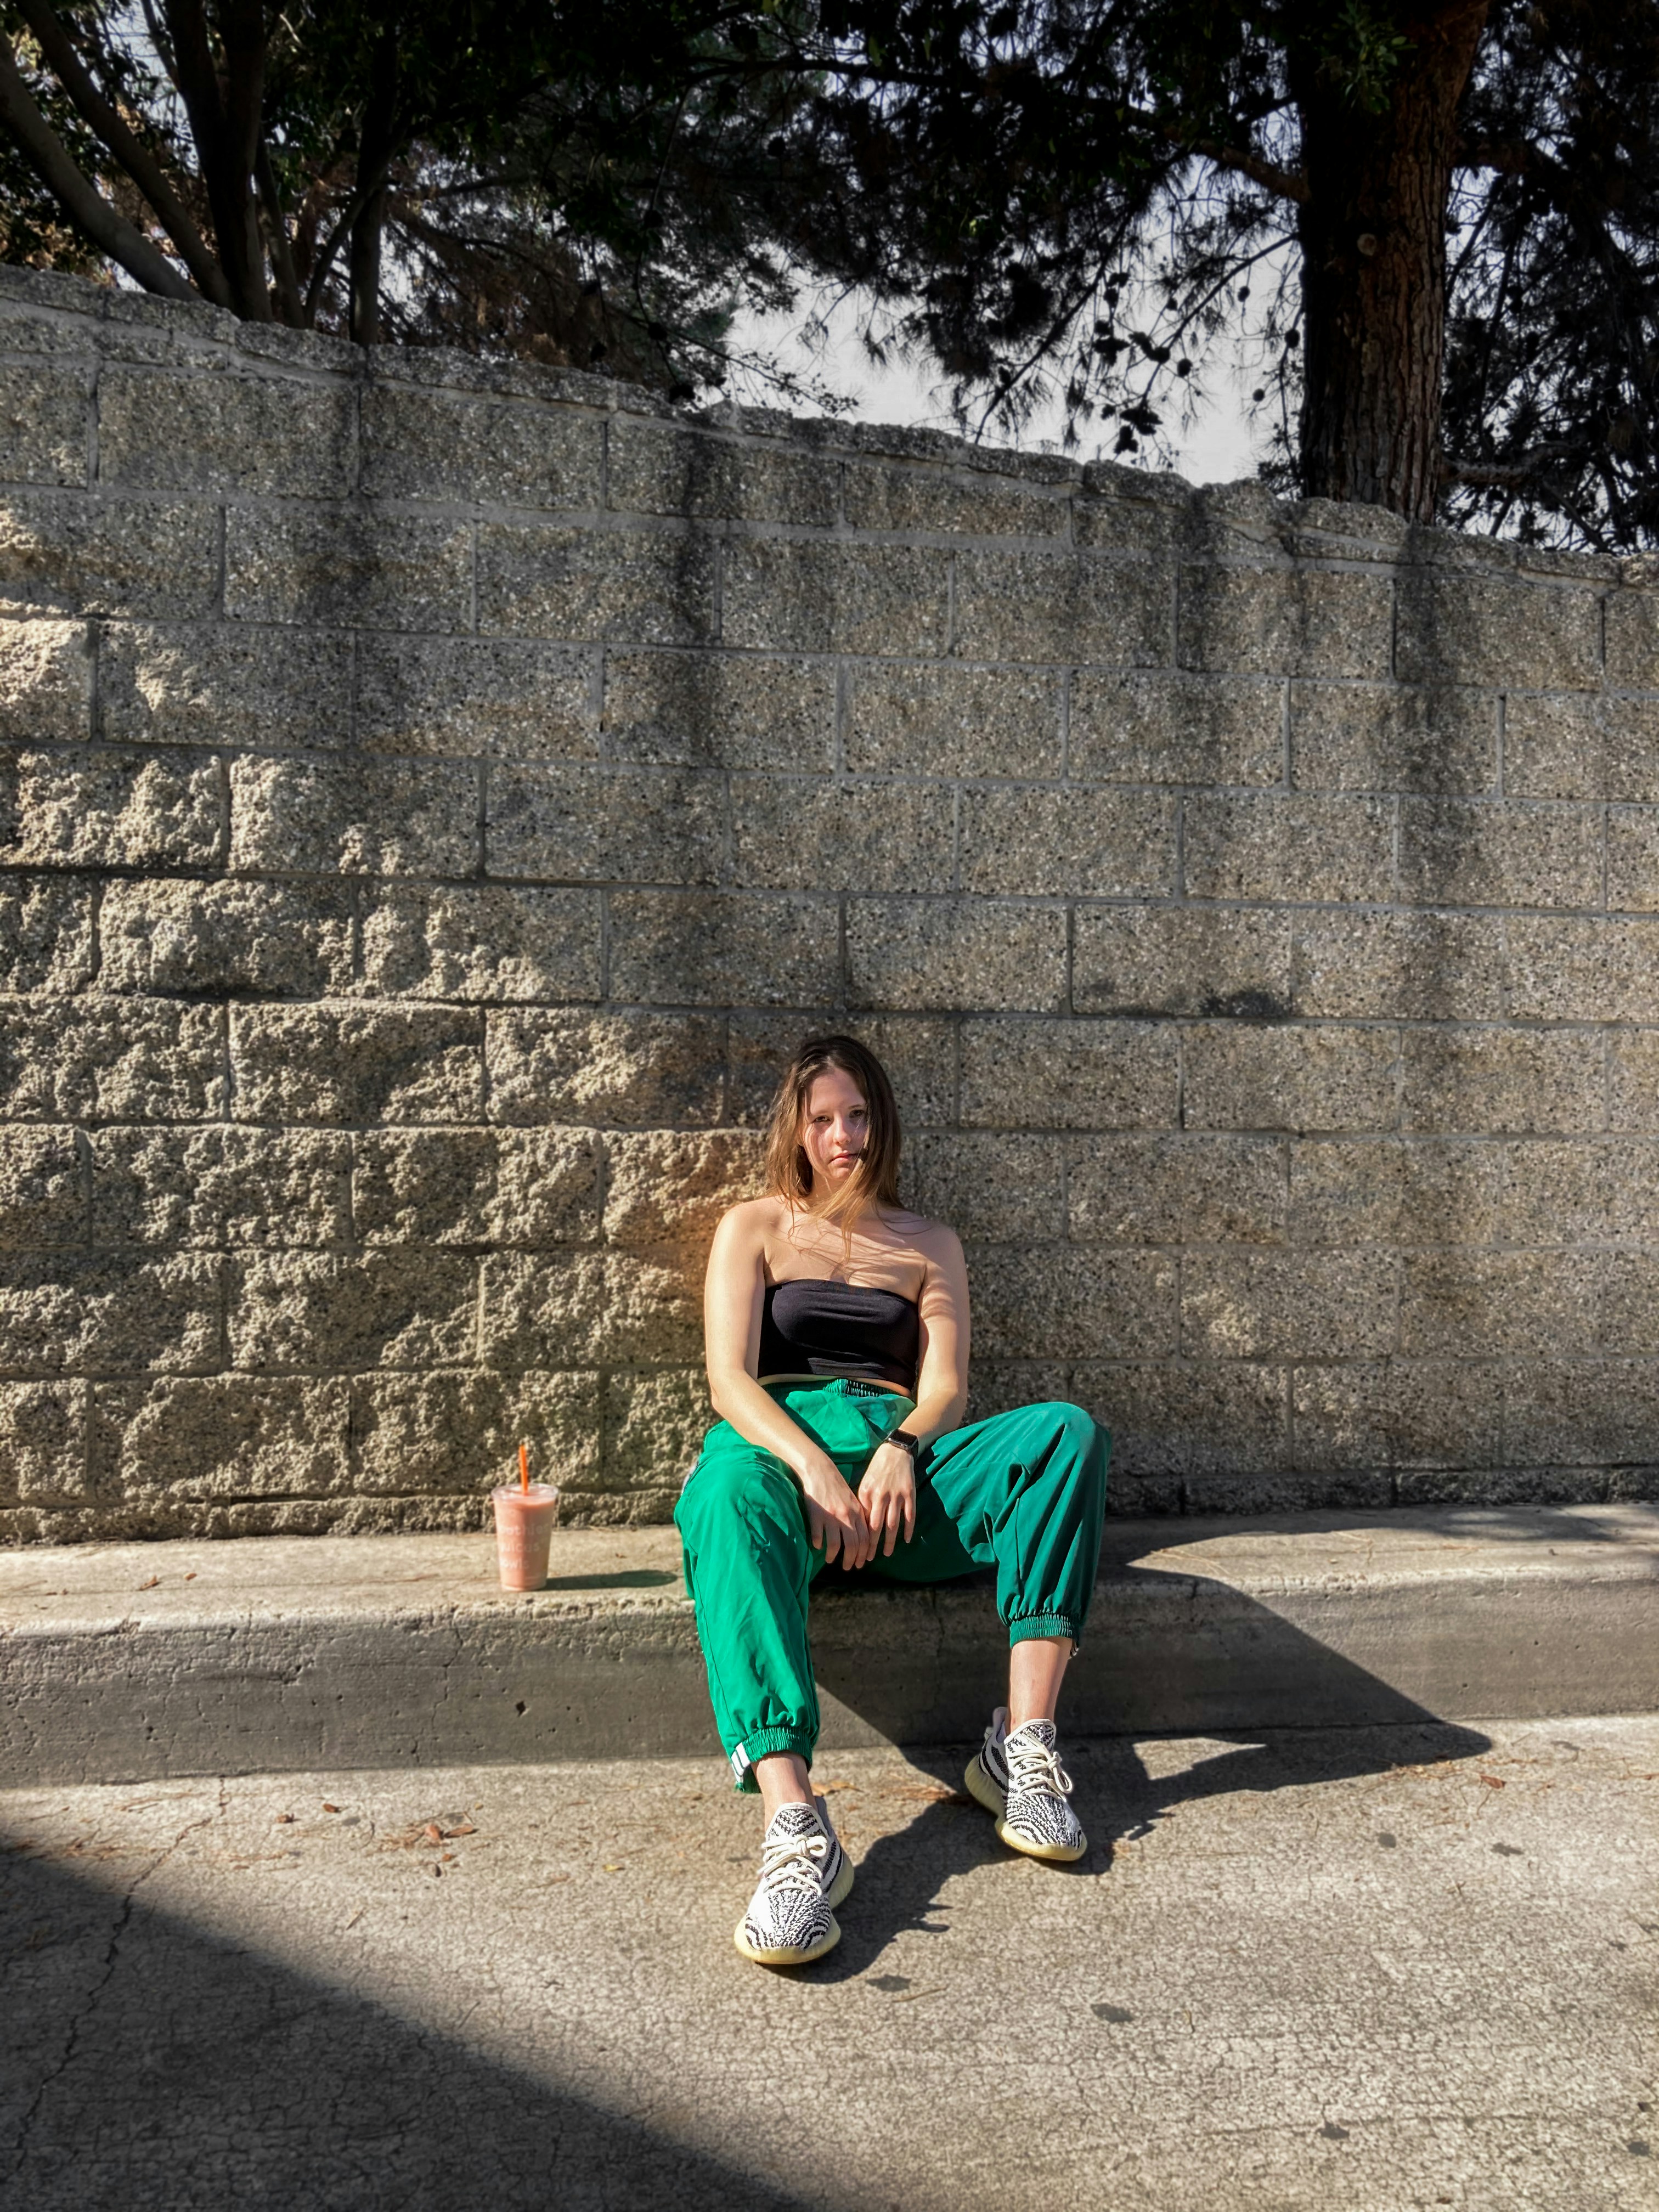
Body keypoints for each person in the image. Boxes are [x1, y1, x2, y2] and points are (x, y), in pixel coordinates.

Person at [674, 1034, 1111, 1967]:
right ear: (796, 1129)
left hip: (899, 1476)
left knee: (1065, 1436)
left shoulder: (927, 1244)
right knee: (721, 1489)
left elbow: (946, 1382)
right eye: (823, 1119)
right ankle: (798, 1831)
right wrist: (811, 1466)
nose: (844, 1137)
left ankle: (1022, 1752)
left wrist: (901, 1447)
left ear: (884, 1121)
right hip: (782, 1462)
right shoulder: (754, 1225)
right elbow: (728, 1382)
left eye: (860, 1115)